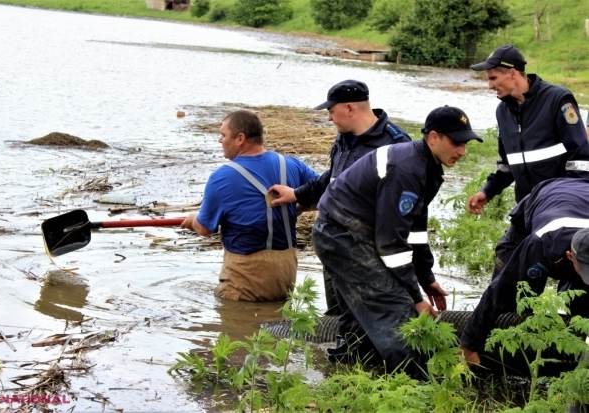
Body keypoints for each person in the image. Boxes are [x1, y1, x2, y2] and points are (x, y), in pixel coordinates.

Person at [312, 106, 482, 375]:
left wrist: (426, 277)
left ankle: (349, 374)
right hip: (341, 235)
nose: (462, 151)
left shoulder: (430, 168)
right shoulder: (408, 169)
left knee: (366, 311)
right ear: (434, 137)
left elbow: (414, 229)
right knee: (399, 313)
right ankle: (413, 386)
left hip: (352, 232)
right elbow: (391, 244)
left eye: (465, 144)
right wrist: (415, 297)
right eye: (457, 143)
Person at [268, 79, 412, 315]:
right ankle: (338, 349)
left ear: (350, 109)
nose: (329, 118)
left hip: (368, 247)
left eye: (331, 111)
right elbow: (333, 179)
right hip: (335, 242)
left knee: (369, 313)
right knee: (337, 312)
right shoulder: (344, 138)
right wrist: (297, 195)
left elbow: (404, 204)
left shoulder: (396, 145)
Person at [181, 110, 319, 302]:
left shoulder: (222, 177)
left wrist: (192, 220)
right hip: (285, 277)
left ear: (240, 138)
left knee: (235, 326)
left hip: (244, 281)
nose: (220, 140)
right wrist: (301, 206)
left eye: (223, 135)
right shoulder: (292, 164)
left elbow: (204, 228)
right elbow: (328, 193)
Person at [460, 177, 589, 367]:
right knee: (516, 300)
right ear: (570, 256)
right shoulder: (540, 242)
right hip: (545, 196)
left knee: (582, 304)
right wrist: (469, 344)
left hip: (582, 197)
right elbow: (499, 291)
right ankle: (498, 363)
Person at [466, 45, 589, 215]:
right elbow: (507, 165)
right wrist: (487, 192)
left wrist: (564, 201)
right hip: (526, 207)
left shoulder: (558, 100)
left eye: (493, 78)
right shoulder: (503, 111)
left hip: (559, 206)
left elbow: (581, 160)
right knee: (507, 244)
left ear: (512, 73)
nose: (490, 86)